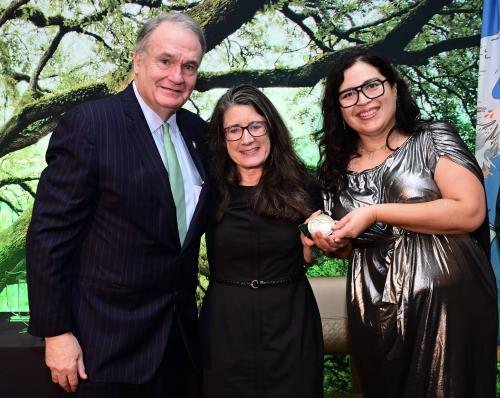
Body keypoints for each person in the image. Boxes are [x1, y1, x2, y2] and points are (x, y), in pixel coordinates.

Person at [26, 13, 209, 397]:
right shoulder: (90, 125)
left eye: (189, 66)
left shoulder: (198, 133)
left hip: (181, 350)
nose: (177, 76)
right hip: (104, 352)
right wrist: (56, 332)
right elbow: (48, 236)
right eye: (166, 61)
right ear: (138, 60)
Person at [305, 48, 498, 397]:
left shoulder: (432, 138)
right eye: (348, 94)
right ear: (338, 107)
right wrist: (336, 243)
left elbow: (469, 212)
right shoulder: (333, 172)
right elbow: (350, 248)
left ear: (393, 87)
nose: (363, 100)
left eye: (372, 86)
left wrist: (376, 212)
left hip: (449, 310)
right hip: (373, 311)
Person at [199, 84, 324, 398]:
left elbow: (311, 255)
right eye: (234, 130)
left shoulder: (303, 184)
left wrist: (312, 247)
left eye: (255, 125)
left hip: (290, 323)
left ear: (271, 127)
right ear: (221, 137)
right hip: (225, 326)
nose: (247, 138)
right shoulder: (208, 190)